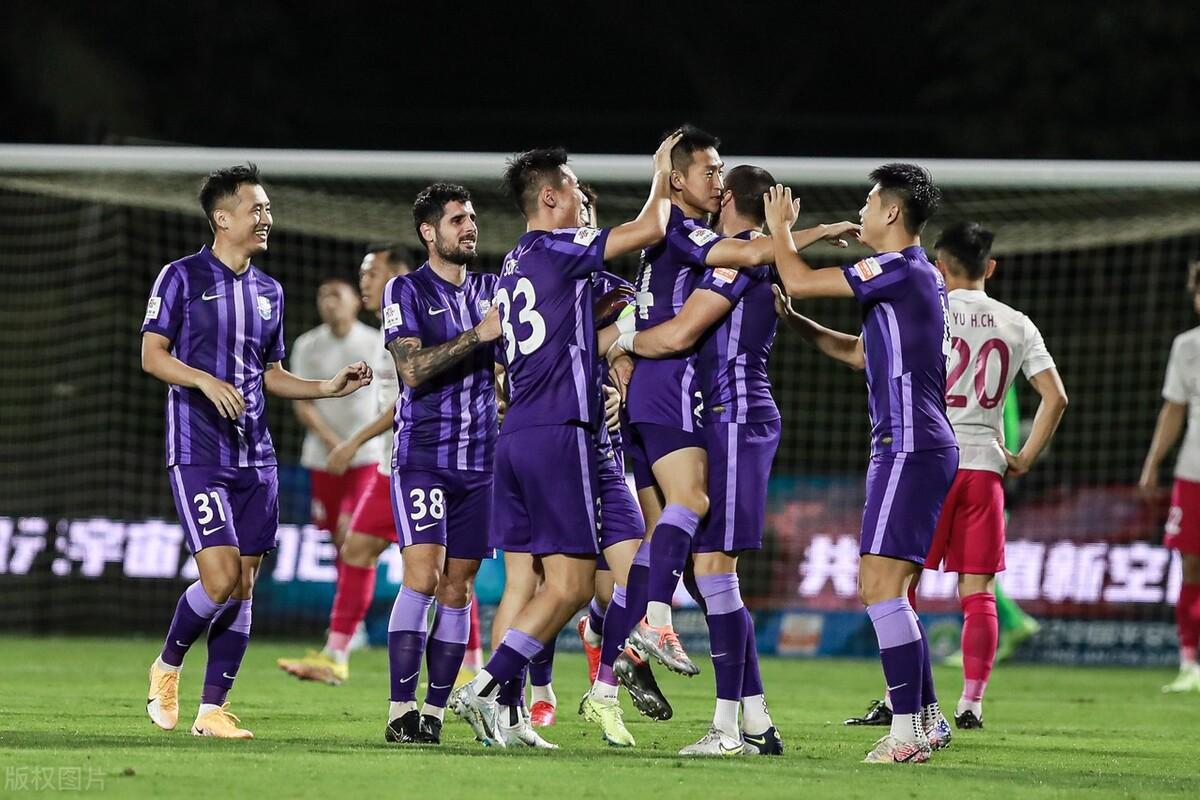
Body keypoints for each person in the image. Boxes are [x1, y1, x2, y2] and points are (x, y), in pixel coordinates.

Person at [450, 135, 678, 749]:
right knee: (572, 585)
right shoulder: (557, 249)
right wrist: (662, 172)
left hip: (518, 435)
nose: (582, 198)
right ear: (550, 197)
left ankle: (511, 712)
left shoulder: (515, 263)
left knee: (533, 584)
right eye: (574, 187)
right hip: (560, 434)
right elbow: (652, 226)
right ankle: (486, 687)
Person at [143, 163, 372, 738]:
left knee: (244, 584)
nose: (267, 218)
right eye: (257, 209)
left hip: (257, 457)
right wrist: (203, 380)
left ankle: (212, 711)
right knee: (219, 578)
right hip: (197, 450)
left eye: (268, 209)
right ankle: (167, 666)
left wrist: (327, 387)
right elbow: (152, 354)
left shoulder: (270, 291)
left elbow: (269, 373)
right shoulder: (181, 277)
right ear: (223, 218)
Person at [826, 222, 1067, 729]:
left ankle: (900, 699)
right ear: (990, 267)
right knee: (978, 591)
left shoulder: (926, 304)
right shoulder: (1017, 323)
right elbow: (1056, 396)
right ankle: (971, 704)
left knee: (898, 581)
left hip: (928, 459)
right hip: (984, 469)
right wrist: (1024, 456)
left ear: (939, 266)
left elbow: (862, 355)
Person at [765, 165, 956, 764]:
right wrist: (795, 324)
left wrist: (781, 229)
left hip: (910, 444)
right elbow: (859, 352)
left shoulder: (897, 267)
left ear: (892, 213)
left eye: (870, 202)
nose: (863, 211)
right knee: (889, 587)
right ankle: (927, 719)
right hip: (912, 444)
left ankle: (905, 736)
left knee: (878, 587)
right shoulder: (917, 277)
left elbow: (797, 278)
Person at [611, 164, 792, 755]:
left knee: (715, 570)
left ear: (729, 197)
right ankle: (756, 723)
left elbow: (680, 333)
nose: (712, 185)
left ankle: (724, 726)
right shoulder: (733, 252)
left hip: (736, 415)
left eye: (719, 177)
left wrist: (623, 344)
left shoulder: (737, 255)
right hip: (716, 416)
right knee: (711, 576)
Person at [380, 184, 503, 745]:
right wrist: (478, 335)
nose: (469, 226)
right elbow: (411, 370)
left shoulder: (492, 288)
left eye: (471, 218)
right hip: (424, 456)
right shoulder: (405, 289)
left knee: (458, 588)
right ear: (429, 232)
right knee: (424, 576)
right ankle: (399, 709)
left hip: (481, 461)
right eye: (457, 219)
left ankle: (432, 713)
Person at [277, 245, 411, 685]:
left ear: (396, 275)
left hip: (413, 464)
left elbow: (406, 402)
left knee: (449, 571)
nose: (364, 283)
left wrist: (354, 442)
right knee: (352, 547)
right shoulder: (314, 343)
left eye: (370, 274)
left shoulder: (403, 326)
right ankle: (337, 653)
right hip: (381, 463)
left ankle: (472, 665)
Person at [1140, 260, 1200, 694]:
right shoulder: (1187, 346)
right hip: (1193, 473)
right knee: (1191, 564)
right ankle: (1190, 661)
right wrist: (1152, 463)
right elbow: (1174, 409)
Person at [290, 276, 384, 549]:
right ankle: (344, 577)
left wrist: (355, 444)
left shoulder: (376, 342)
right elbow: (302, 403)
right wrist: (334, 443)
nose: (329, 303)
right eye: (323, 296)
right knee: (333, 533)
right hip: (324, 456)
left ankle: (357, 577)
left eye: (336, 295)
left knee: (355, 530)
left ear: (356, 301)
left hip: (367, 454)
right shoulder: (307, 345)